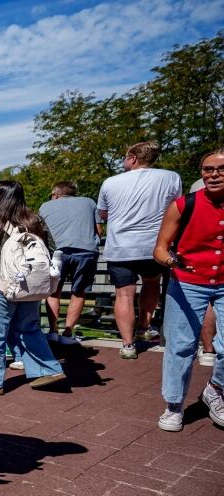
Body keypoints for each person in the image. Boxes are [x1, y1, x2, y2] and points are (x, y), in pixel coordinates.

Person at [0, 181, 66, 395]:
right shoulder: (34, 220)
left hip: (1, 281)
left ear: (1, 197)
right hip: (30, 283)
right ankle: (47, 370)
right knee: (29, 327)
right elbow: (51, 248)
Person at [154, 148, 224, 431]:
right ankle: (174, 405)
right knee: (181, 346)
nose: (214, 174)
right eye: (208, 169)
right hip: (187, 282)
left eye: (221, 169)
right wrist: (172, 262)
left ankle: (215, 388)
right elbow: (160, 248)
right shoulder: (184, 204)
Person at [97, 141, 182, 358]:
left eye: (125, 158)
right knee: (152, 283)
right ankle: (144, 326)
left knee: (124, 294)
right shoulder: (171, 177)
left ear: (133, 158)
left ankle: (128, 345)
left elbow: (104, 214)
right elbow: (177, 208)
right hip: (154, 246)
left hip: (120, 247)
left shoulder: (110, 182)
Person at [39, 181, 100, 345]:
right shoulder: (89, 202)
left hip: (57, 252)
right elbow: (99, 231)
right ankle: (67, 334)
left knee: (53, 292)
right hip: (86, 251)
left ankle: (53, 331)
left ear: (55, 194)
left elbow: (41, 232)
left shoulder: (45, 206)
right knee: (79, 293)